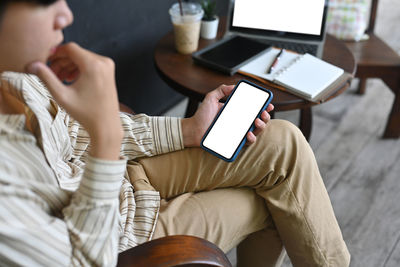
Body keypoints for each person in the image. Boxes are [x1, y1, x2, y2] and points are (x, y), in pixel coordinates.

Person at [0, 0, 350, 266]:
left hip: (125, 173)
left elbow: (76, 136)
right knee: (277, 201)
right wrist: (105, 140)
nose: (66, 15)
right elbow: (88, 259)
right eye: (43, 2)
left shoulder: (17, 77)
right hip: (123, 232)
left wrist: (189, 129)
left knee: (283, 142)